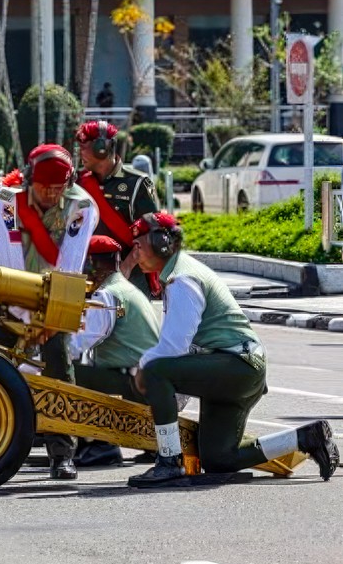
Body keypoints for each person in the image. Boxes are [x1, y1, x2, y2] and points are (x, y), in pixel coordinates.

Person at [127, 213, 338, 486]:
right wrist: (167, 393)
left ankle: (168, 461)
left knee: (154, 370)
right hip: (235, 370)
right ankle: (307, 437)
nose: (135, 252)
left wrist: (142, 372)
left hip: (237, 366)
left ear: (162, 243)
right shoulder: (179, 275)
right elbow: (185, 352)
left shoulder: (183, 280)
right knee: (218, 459)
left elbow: (173, 347)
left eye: (139, 245)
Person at [0, 144, 98, 480]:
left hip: (55, 295)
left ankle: (62, 453)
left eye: (58, 187)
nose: (51, 194)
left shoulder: (81, 205)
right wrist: (24, 315)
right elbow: (10, 258)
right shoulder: (4, 200)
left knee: (58, 368)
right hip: (4, 291)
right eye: (44, 186)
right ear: (29, 178)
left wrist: (48, 319)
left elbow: (71, 264)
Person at [68, 235, 162, 467]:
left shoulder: (107, 296)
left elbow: (82, 341)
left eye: (84, 264)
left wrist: (42, 357)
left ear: (93, 264)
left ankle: (100, 445)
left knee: (70, 374)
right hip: (149, 379)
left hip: (136, 381)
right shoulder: (125, 289)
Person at [75, 120, 161, 297]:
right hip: (86, 273)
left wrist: (125, 268)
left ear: (102, 148)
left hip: (129, 275)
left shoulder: (137, 184)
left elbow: (151, 235)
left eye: (85, 147)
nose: (80, 152)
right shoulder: (77, 182)